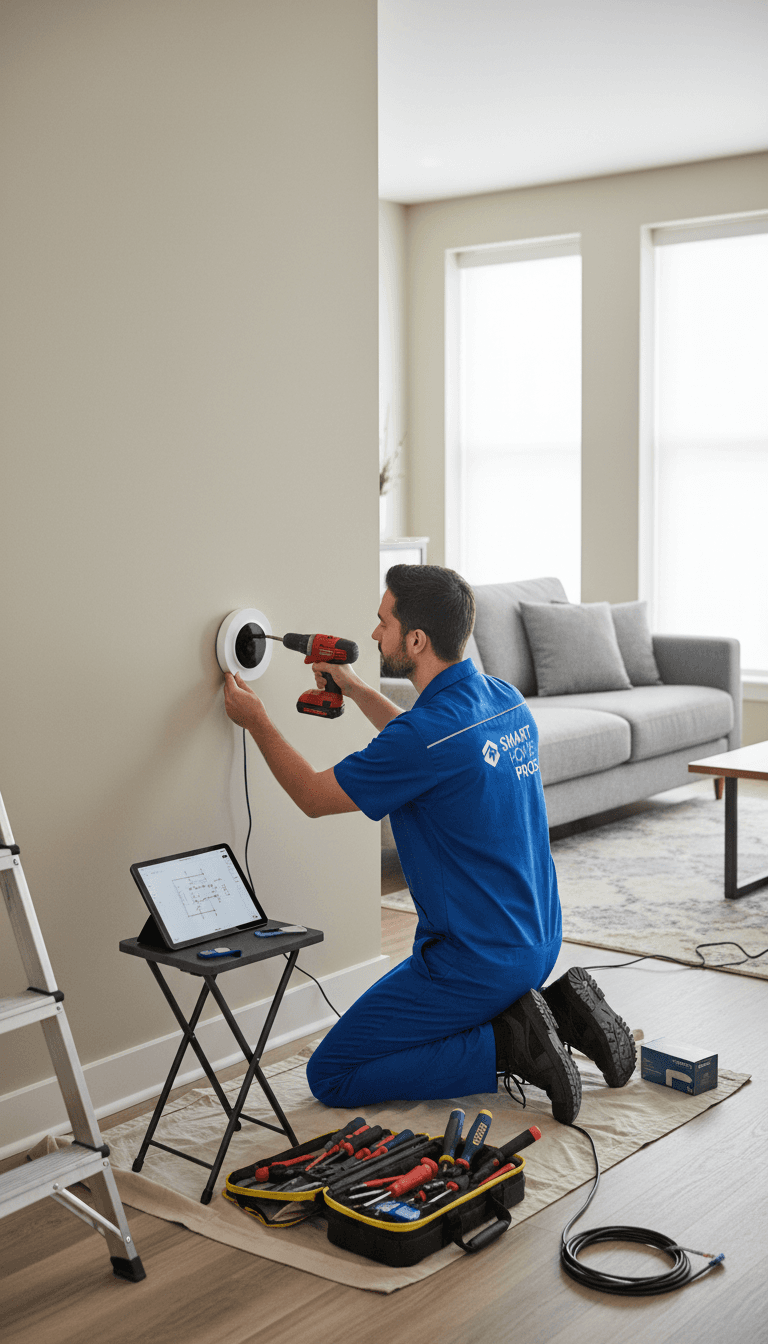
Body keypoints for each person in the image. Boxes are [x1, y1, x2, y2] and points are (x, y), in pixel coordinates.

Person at [223, 564, 635, 1124]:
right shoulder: (504, 700)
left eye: (383, 622)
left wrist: (257, 721)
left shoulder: (422, 738)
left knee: (331, 1073)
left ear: (416, 640)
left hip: (475, 963)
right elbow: (427, 747)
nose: (373, 636)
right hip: (538, 941)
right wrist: (358, 689)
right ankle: (557, 1010)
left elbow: (313, 797)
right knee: (397, 1021)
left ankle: (509, 1045)